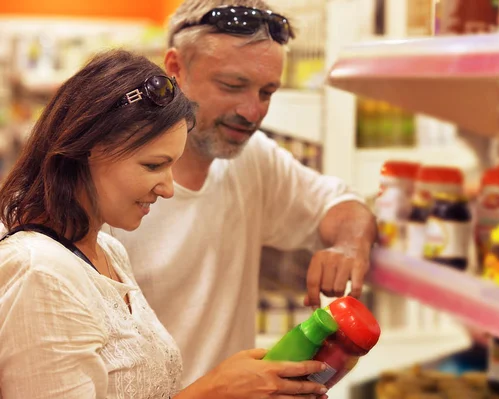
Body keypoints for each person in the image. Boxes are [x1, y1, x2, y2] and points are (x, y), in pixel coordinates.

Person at [0, 49, 330, 399]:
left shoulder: (108, 252)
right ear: (90, 149)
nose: (169, 189)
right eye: (154, 166)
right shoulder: (39, 274)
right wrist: (214, 391)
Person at [107, 0, 378, 387]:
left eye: (267, 92)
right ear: (175, 69)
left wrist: (350, 246)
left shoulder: (254, 159)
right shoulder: (109, 188)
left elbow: (341, 205)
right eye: (232, 86)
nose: (253, 112)